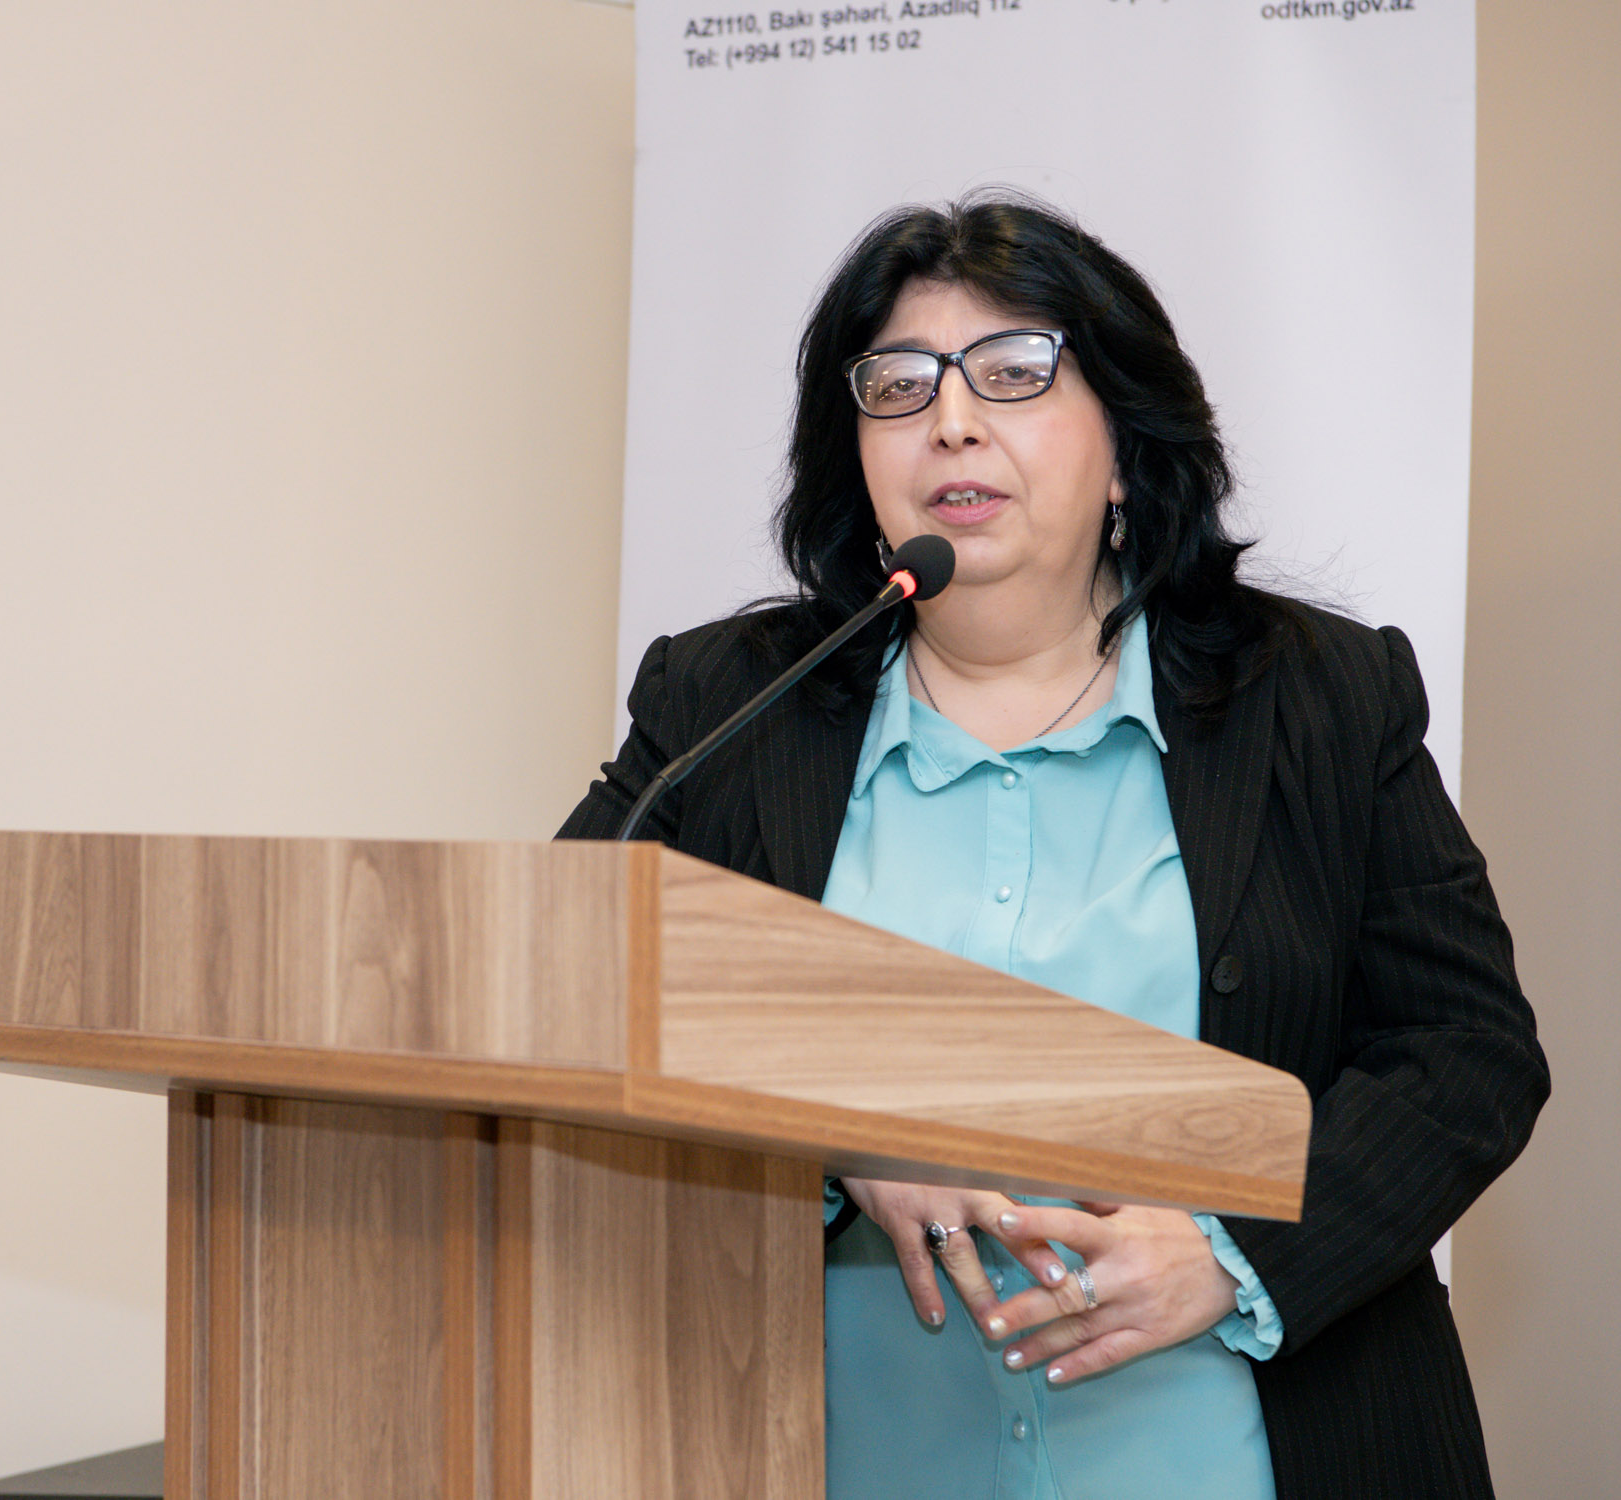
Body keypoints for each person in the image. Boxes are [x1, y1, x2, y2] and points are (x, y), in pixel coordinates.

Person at [557, 193, 1547, 1499]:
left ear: (1127, 448)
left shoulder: (1312, 697)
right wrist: (827, 1132)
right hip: (838, 1459)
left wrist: (1233, 1254)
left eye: (1014, 371)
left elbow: (1466, 1052)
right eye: (899, 385)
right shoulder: (727, 705)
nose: (951, 420)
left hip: (1245, 1457)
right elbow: (558, 983)